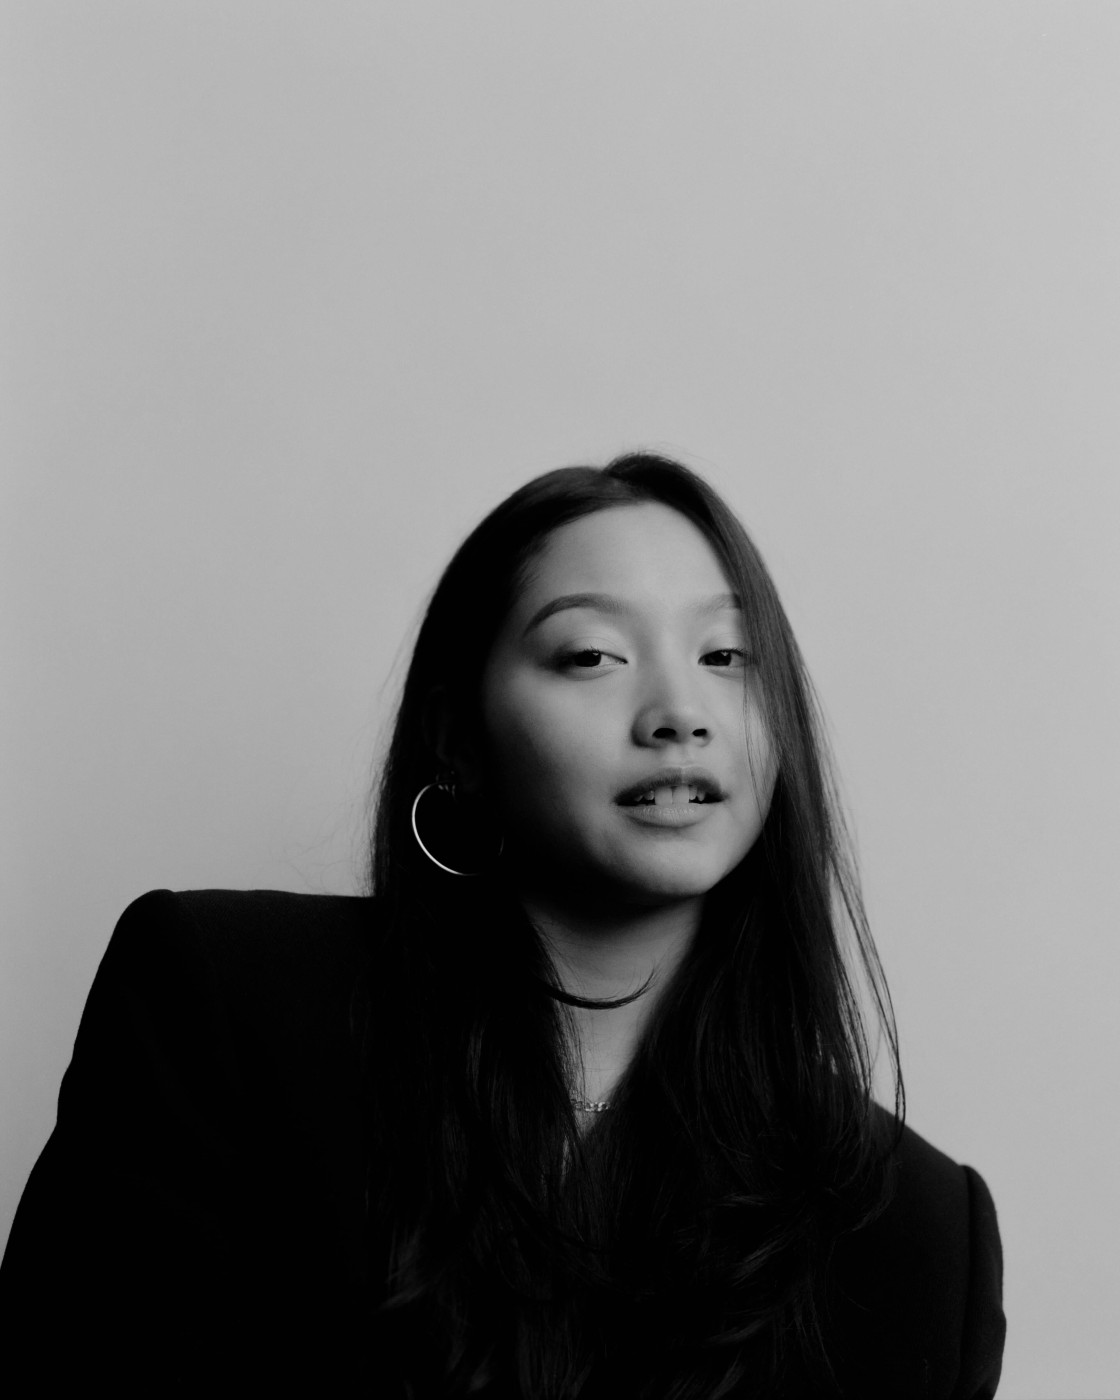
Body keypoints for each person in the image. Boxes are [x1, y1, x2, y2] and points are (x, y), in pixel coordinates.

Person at [0, 453, 1005, 1397]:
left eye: (726, 654)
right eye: (591, 654)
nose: (678, 711)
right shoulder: (222, 1006)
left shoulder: (917, 1232)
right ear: (457, 737)